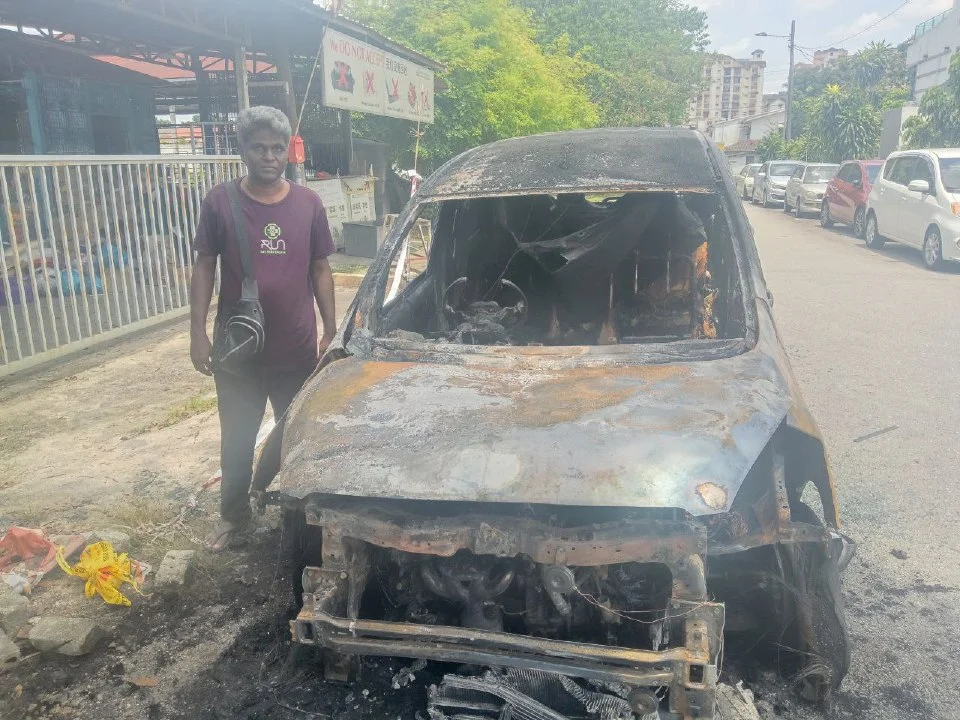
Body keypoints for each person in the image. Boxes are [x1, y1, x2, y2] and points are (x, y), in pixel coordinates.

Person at [189, 106, 337, 552]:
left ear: (287, 151)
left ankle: (292, 510)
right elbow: (204, 266)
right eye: (259, 147)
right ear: (243, 149)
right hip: (239, 350)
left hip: (296, 346)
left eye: (277, 148)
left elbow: (320, 268)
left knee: (294, 433)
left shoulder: (308, 204)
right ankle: (233, 516)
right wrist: (197, 332)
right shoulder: (220, 202)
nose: (269, 157)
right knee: (236, 435)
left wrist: (330, 329)